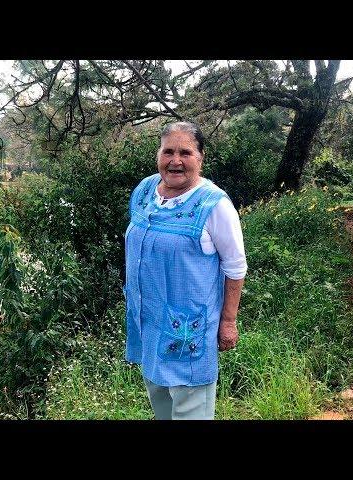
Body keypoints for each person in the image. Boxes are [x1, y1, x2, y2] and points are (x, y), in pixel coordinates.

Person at [124, 121, 246, 420]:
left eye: (185, 153)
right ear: (158, 154)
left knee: (191, 411)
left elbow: (235, 266)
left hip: (188, 331)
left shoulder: (214, 205)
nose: (175, 161)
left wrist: (228, 321)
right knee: (161, 408)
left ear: (200, 158)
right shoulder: (144, 191)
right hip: (150, 323)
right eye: (168, 151)